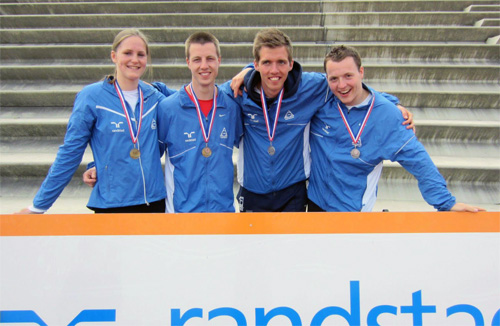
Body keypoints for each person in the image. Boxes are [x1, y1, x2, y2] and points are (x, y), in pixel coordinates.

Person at [219, 28, 410, 212]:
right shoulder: (237, 90)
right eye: (267, 62)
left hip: (292, 191)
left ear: (291, 63)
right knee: (254, 245)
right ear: (256, 64)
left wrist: (392, 105)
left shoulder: (310, 86)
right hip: (253, 191)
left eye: (281, 62)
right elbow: (211, 98)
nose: (274, 70)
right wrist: (247, 71)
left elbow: (351, 88)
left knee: (295, 245)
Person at [307, 45, 485, 212]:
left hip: (353, 211)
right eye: (334, 79)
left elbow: (419, 161)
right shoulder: (324, 98)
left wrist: (446, 203)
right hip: (316, 201)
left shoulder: (389, 117)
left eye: (348, 76)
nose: (342, 85)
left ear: (361, 72)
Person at [16, 28, 172, 214]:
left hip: (153, 203)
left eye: (141, 54)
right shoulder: (91, 97)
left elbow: (191, 102)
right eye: (127, 53)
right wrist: (38, 206)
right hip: (110, 205)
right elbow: (70, 153)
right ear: (114, 56)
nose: (135, 59)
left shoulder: (155, 97)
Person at [155, 32, 243, 212]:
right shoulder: (168, 109)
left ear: (219, 60)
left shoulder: (231, 107)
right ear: (188, 62)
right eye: (197, 60)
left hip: (223, 213)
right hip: (182, 215)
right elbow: (149, 156)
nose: (204, 66)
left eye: (210, 58)